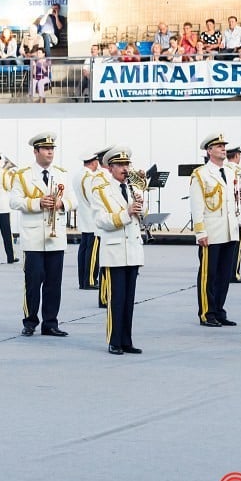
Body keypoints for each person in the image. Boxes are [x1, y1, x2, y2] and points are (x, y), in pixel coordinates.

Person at [9, 132, 73, 337]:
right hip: (34, 238)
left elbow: (75, 200)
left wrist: (62, 203)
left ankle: (50, 323)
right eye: (46, 149)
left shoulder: (62, 173)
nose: (50, 152)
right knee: (33, 282)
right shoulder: (23, 175)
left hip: (55, 237)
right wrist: (37, 203)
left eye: (52, 149)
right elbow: (14, 201)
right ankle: (30, 321)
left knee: (54, 283)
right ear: (35, 151)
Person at [89, 146, 145, 355]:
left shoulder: (133, 187)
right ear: (110, 167)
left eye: (126, 164)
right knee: (117, 299)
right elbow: (101, 220)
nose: (125, 168)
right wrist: (126, 212)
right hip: (114, 251)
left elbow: (142, 214)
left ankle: (127, 340)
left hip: (132, 249)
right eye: (120, 165)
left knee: (129, 299)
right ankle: (114, 340)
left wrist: (140, 205)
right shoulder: (102, 190)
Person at [189, 133, 241, 328]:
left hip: (229, 229)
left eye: (224, 145)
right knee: (208, 274)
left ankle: (219, 310)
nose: (223, 148)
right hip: (211, 231)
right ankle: (206, 312)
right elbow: (197, 205)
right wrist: (200, 231)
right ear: (209, 150)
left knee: (224, 274)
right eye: (218, 146)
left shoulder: (230, 171)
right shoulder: (201, 174)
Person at [73, 147, 105, 290]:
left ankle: (82, 280)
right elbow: (94, 198)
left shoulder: (78, 175)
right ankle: (90, 280)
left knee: (84, 250)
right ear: (94, 162)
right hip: (93, 218)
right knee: (93, 252)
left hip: (84, 217)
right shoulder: (90, 177)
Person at [225, 146, 241, 283]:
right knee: (237, 247)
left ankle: (227, 272)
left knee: (228, 246)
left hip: (228, 214)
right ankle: (234, 273)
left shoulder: (225, 169)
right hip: (239, 215)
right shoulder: (239, 171)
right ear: (237, 156)